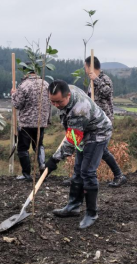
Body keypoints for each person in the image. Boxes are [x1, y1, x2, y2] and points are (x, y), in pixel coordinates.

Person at [43, 80, 113, 229]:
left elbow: (71, 142)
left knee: (87, 172)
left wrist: (54, 160)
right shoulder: (69, 89)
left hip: (98, 133)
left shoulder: (79, 110)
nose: (55, 105)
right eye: (52, 101)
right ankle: (73, 206)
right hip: (84, 130)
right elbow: (72, 134)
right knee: (78, 170)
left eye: (59, 102)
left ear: (68, 95)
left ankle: (92, 213)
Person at [85, 56, 128, 188]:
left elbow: (106, 92)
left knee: (101, 149)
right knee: (98, 149)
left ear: (91, 66)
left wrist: (95, 80)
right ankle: (118, 175)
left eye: (86, 66)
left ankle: (119, 175)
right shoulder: (91, 82)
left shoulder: (104, 79)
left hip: (104, 121)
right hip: (94, 121)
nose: (85, 70)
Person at [11, 71, 50, 181]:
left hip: (26, 123)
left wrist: (13, 95)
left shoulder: (24, 85)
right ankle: (42, 169)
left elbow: (17, 104)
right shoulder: (45, 84)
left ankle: (26, 174)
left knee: (23, 148)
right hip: (41, 122)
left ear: (26, 72)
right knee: (39, 145)